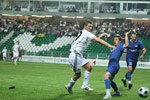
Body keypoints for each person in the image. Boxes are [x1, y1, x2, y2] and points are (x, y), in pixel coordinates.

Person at [65, 21, 115, 94]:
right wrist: (109, 45)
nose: (91, 28)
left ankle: (84, 85)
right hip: (75, 55)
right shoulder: (86, 32)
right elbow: (97, 40)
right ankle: (69, 86)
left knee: (89, 67)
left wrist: (101, 36)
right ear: (85, 26)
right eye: (89, 26)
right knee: (78, 74)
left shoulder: (83, 33)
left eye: (91, 26)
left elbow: (94, 40)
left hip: (79, 55)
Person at [103, 32, 130, 99]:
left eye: (116, 39)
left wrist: (126, 35)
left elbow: (126, 44)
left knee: (106, 76)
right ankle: (117, 92)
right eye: (114, 39)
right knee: (110, 80)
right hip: (111, 65)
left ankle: (108, 94)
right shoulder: (113, 47)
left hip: (114, 64)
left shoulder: (120, 46)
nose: (114, 40)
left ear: (120, 41)